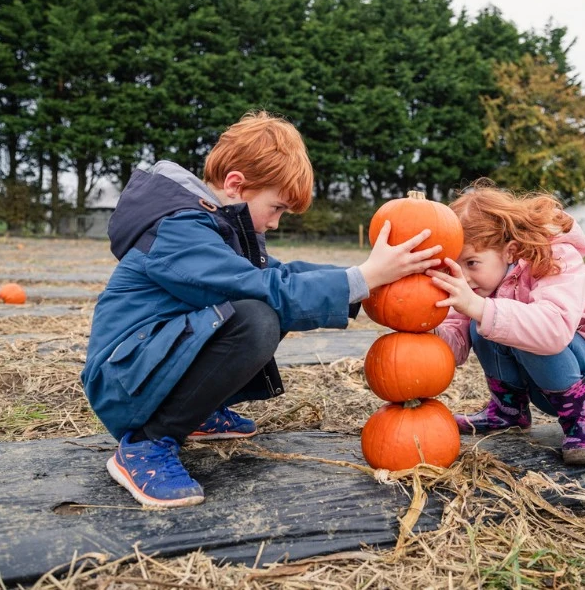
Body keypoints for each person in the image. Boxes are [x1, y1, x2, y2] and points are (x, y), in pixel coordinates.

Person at [81, 110, 442, 508]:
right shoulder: (178, 230)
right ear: (236, 185)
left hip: (145, 369)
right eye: (277, 208)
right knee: (256, 318)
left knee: (271, 303)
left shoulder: (213, 226)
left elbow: (281, 275)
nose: (275, 223)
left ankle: (195, 413)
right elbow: (264, 288)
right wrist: (362, 278)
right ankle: (145, 445)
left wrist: (365, 280)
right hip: (122, 384)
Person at [426, 181, 585, 466]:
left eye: (472, 263)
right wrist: (430, 330)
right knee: (480, 324)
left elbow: (553, 330)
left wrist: (478, 307)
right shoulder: (479, 286)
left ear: (509, 252)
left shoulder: (556, 257)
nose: (464, 277)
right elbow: (457, 347)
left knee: (518, 325)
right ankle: (509, 411)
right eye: (454, 266)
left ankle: (584, 423)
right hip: (542, 386)